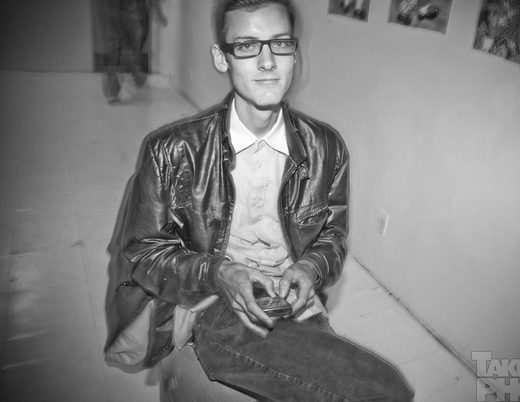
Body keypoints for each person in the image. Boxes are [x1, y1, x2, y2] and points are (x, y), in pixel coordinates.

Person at [104, 0, 415, 400]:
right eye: (248, 46)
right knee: (385, 391)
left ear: (294, 53)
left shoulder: (327, 148)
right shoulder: (171, 150)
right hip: (210, 300)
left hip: (289, 301)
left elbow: (332, 238)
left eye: (280, 43)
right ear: (222, 58)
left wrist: (309, 269)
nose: (267, 62)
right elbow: (143, 253)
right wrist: (219, 273)